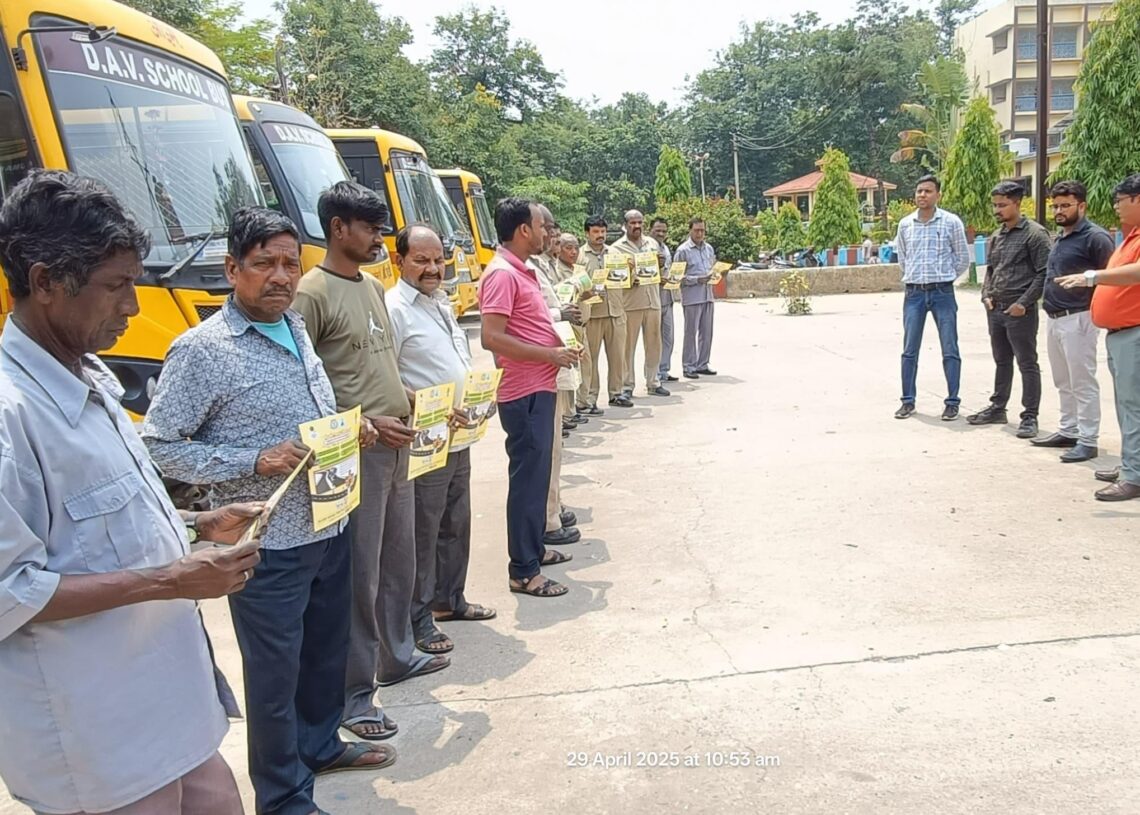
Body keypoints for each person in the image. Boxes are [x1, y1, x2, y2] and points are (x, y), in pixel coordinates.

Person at [0, 170, 263, 815]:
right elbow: (9, 590)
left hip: (170, 701)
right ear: (44, 282)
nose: (132, 306)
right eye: (116, 286)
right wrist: (171, 580)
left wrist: (196, 523)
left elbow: (96, 522)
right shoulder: (12, 415)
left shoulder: (88, 377)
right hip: (97, 737)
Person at [143, 205, 393, 815]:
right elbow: (158, 446)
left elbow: (314, 419)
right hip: (266, 545)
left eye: (289, 263)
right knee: (275, 679)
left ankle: (319, 745)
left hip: (330, 521)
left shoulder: (297, 329)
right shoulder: (203, 350)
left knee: (323, 656)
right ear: (233, 269)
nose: (281, 277)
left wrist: (352, 431)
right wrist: (255, 459)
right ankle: (283, 797)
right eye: (264, 265)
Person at [292, 183, 450, 741]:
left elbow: (376, 367)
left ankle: (396, 656)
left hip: (396, 445)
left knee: (396, 563)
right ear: (339, 229)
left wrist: (407, 401)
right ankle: (355, 696)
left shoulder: (369, 288)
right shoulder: (312, 294)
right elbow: (301, 387)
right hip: (356, 453)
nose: (379, 239)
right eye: (371, 229)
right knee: (357, 577)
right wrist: (362, 424)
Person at [387, 224, 497, 656]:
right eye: (422, 260)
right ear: (400, 261)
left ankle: (450, 599)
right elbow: (386, 379)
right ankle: (418, 620)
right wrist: (423, 403)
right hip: (425, 438)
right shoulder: (394, 309)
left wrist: (477, 396)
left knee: (457, 521)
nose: (433, 268)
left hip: (460, 433)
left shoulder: (441, 303)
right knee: (424, 529)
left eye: (438, 260)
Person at [478, 198, 580, 598]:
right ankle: (523, 570)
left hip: (540, 384)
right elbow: (492, 337)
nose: (546, 234)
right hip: (522, 391)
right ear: (523, 230)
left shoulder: (523, 271)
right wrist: (548, 354)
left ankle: (534, 550)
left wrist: (558, 347)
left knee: (538, 479)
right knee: (527, 480)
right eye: (541, 227)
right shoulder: (502, 274)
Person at [1056, 173, 1140, 500]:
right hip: (1120, 334)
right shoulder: (1130, 237)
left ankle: (1134, 477)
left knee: (1133, 407)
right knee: (1126, 405)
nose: (1117, 207)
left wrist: (1092, 277)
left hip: (1133, 333)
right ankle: (1132, 464)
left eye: (1121, 200)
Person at [1031, 180, 1115, 463]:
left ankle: (1088, 439)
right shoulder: (1063, 236)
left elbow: (1111, 278)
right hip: (1054, 317)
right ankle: (1068, 429)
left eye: (1065, 205)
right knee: (1062, 379)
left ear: (1082, 205)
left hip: (1079, 317)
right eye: (1055, 205)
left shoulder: (1095, 237)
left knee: (1082, 381)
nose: (1058, 210)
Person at [967, 181, 1052, 439]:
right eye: (995, 205)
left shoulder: (1035, 235)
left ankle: (1029, 416)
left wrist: (1023, 304)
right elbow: (991, 269)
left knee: (1027, 362)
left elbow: (1043, 273)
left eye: (1002, 205)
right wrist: (986, 295)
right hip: (996, 308)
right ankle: (998, 406)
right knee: (1001, 360)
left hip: (1019, 310)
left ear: (1017, 203)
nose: (997, 210)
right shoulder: (997, 235)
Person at [527, 205, 583, 547]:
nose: (551, 235)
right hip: (539, 368)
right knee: (546, 449)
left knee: (555, 446)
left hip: (553, 362)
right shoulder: (518, 270)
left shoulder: (538, 266)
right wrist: (559, 312)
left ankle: (552, 505)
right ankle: (546, 517)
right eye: (545, 228)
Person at [893, 174, 971, 421]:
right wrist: (916, 278)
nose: (922, 195)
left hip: (942, 292)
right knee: (909, 350)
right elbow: (903, 259)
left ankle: (952, 402)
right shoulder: (905, 224)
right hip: (914, 293)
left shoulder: (951, 222)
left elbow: (962, 258)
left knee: (950, 348)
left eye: (927, 191)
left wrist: (945, 277)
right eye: (919, 191)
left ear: (938, 194)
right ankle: (907, 401)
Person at [610, 209, 668, 397]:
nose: (636, 226)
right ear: (625, 225)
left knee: (654, 344)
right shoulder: (616, 248)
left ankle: (653, 381)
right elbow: (614, 278)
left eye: (639, 222)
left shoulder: (651, 243)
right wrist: (629, 278)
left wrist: (659, 265)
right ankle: (627, 385)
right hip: (631, 303)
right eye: (632, 223)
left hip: (653, 300)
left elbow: (658, 271)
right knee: (628, 347)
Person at [580, 215, 628, 409]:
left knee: (618, 356)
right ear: (587, 233)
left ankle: (617, 393)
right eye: (596, 232)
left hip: (615, 311)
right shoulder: (580, 256)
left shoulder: (615, 253)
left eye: (603, 231)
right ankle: (590, 398)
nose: (600, 236)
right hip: (593, 314)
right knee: (591, 359)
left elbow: (626, 279)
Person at [673, 217, 719, 379]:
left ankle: (702, 363)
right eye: (697, 230)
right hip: (692, 296)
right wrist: (696, 279)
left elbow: (712, 267)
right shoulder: (683, 251)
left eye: (702, 230)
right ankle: (689, 366)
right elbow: (676, 277)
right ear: (690, 230)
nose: (700, 233)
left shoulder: (708, 249)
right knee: (691, 332)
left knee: (707, 332)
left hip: (708, 295)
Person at [651, 217, 679, 383]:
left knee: (668, 337)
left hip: (667, 298)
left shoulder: (666, 249)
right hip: (652, 299)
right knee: (653, 339)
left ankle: (664, 369)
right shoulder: (646, 248)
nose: (661, 234)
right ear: (650, 230)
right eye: (657, 230)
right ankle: (654, 374)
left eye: (664, 231)